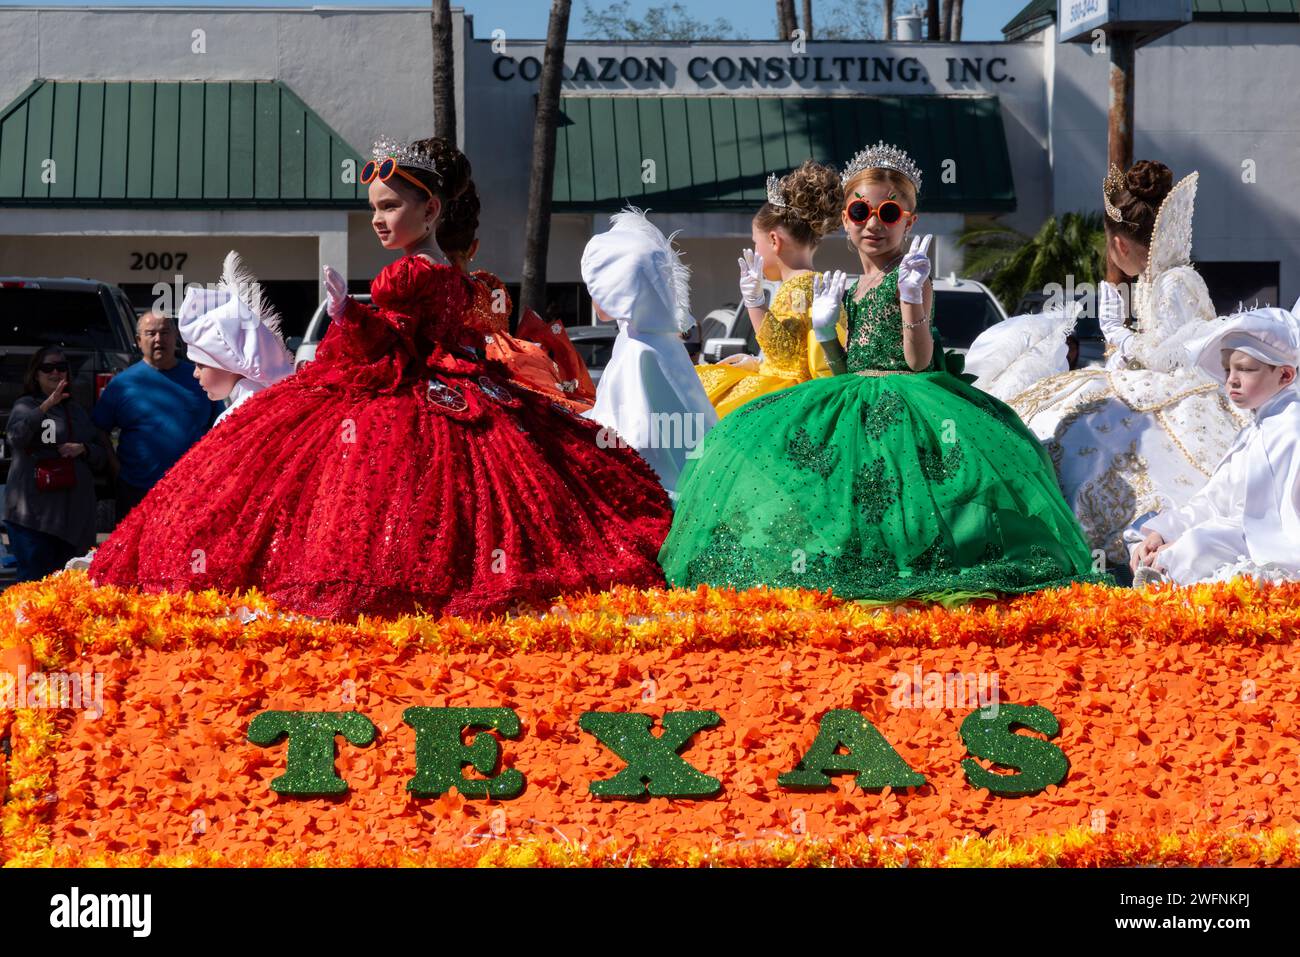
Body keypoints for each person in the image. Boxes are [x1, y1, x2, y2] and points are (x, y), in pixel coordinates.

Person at [88, 137, 673, 621]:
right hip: (462, 386)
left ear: (431, 211)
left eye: (390, 206)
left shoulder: (406, 273)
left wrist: (350, 320)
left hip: (415, 389)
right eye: (374, 208)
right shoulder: (449, 271)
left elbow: (387, 346)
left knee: (363, 503)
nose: (378, 219)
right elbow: (445, 338)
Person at [658, 142, 1106, 602]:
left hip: (911, 400)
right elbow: (842, 368)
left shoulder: (910, 275)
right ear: (846, 219)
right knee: (748, 439)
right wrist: (826, 331)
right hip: (854, 394)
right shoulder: (852, 287)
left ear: (909, 222)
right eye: (860, 210)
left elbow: (918, 361)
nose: (873, 223)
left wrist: (913, 301)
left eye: (888, 213)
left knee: (908, 497)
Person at [998, 162, 1250, 566]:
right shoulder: (1157, 279)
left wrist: (1119, 334)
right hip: (1160, 385)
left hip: (1185, 397)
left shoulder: (1173, 282)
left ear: (1118, 246)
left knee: (1096, 431)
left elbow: (1178, 357)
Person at [1128, 307, 1300, 585]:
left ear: (1285, 376)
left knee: (1197, 546)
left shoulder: (1289, 429)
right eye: (1227, 369)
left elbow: (1271, 526)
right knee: (1147, 538)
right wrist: (1164, 533)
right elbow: (1215, 499)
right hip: (1239, 534)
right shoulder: (1255, 428)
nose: (1231, 379)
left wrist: (1186, 542)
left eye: (1245, 369)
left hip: (1268, 545)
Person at [581, 206, 718, 501]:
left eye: (602, 287)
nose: (595, 295)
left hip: (658, 482)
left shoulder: (639, 351)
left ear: (623, 290)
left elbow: (637, 434)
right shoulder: (660, 341)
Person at [694, 161, 848, 417]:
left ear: (774, 241)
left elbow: (785, 353)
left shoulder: (797, 287)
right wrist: (757, 362)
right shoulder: (811, 282)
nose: (755, 251)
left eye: (757, 243)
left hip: (788, 399)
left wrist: (754, 302)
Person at [436, 177, 594, 412]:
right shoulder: (491, 286)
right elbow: (499, 327)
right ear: (474, 247)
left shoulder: (430, 286)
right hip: (504, 375)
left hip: (448, 379)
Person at [91, 310, 224, 521]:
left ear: (175, 337)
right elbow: (99, 429)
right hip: (136, 490)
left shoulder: (199, 378)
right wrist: (116, 470)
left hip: (190, 490)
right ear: (138, 340)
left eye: (165, 332)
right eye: (150, 333)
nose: (158, 339)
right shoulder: (121, 384)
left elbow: (221, 427)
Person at [4, 347, 108, 581]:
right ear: (35, 374)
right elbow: (15, 438)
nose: (55, 372)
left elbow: (101, 455)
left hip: (74, 522)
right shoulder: (25, 405)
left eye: (61, 367)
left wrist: (84, 449)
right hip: (34, 521)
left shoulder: (78, 411)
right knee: (34, 592)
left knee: (70, 594)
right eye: (47, 368)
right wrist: (46, 406)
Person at [178, 251, 295, 426]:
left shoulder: (237, 417)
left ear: (229, 363)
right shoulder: (265, 401)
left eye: (201, 364)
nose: (195, 373)